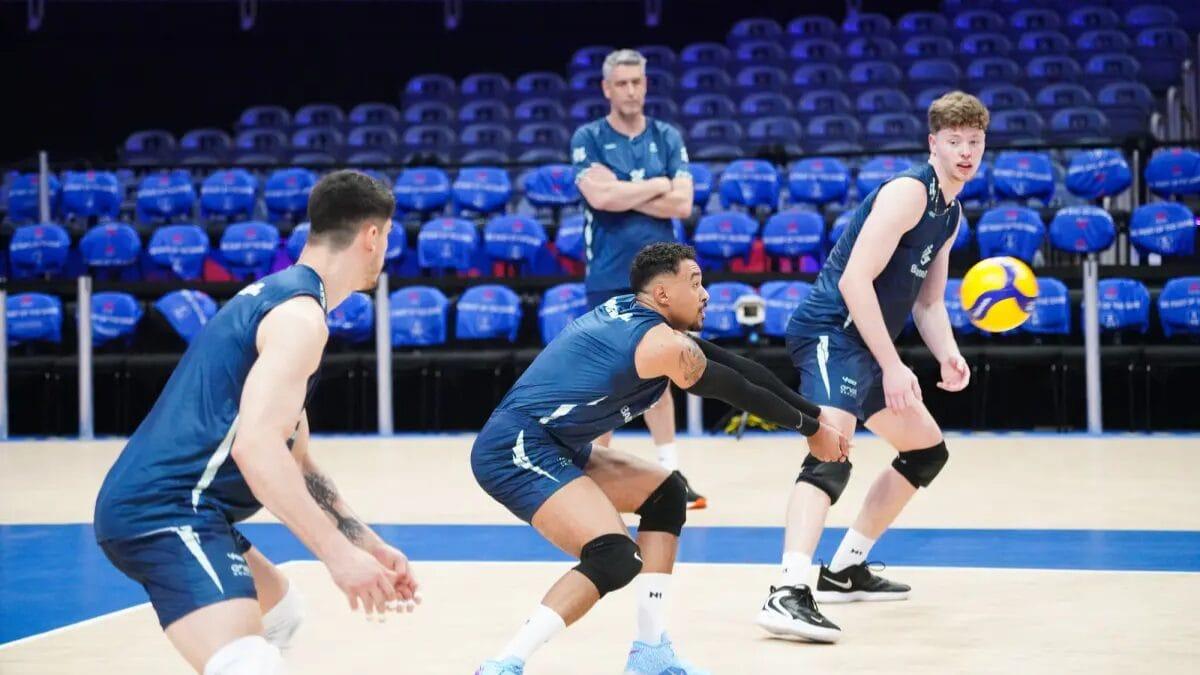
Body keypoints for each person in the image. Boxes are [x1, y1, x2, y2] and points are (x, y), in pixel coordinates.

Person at [93, 170, 419, 674]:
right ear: (372, 236)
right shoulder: (300, 319)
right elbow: (256, 448)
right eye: (388, 237)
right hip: (165, 510)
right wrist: (335, 556)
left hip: (188, 507)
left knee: (282, 615)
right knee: (248, 662)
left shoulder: (283, 298)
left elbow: (298, 462)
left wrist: (366, 545)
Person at [472, 243, 848, 675]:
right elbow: (737, 390)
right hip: (516, 448)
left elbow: (744, 369)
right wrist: (812, 432)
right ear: (663, 294)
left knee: (666, 493)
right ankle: (504, 663)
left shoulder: (647, 318)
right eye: (695, 282)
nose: (706, 293)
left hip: (559, 443)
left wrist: (820, 418)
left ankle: (650, 652)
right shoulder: (660, 344)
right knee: (614, 555)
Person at [755, 91, 987, 643]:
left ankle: (845, 570)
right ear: (933, 144)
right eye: (953, 141)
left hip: (867, 343)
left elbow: (929, 304)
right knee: (832, 450)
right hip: (830, 332)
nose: (965, 152)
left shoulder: (950, 213)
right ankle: (786, 591)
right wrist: (892, 365)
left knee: (926, 452)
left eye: (974, 142)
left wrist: (947, 354)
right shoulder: (909, 193)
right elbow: (853, 281)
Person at [571, 48, 706, 508]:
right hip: (608, 272)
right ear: (607, 88)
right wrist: (656, 185)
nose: (631, 90)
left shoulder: (667, 135)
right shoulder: (588, 137)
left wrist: (624, 188)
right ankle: (591, 477)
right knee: (605, 378)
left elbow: (683, 204)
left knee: (662, 372)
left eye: (637, 82)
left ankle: (670, 474)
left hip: (661, 278)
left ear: (645, 85)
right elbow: (599, 198)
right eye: (622, 83)